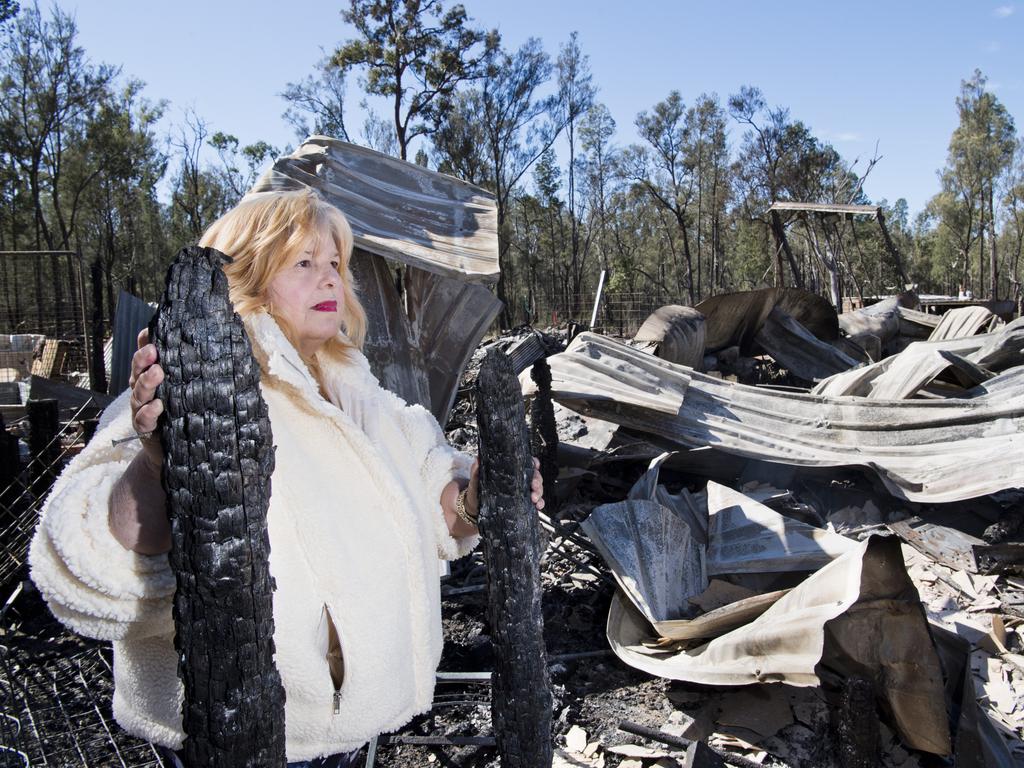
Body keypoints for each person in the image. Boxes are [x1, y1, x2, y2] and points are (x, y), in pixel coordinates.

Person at [29, 188, 545, 767]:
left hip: (355, 729)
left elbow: (436, 503)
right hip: (242, 736)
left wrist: (478, 494)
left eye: (335, 265)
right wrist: (157, 464)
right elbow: (87, 559)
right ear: (246, 275)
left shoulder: (363, 396)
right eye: (304, 263)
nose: (330, 281)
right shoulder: (192, 390)